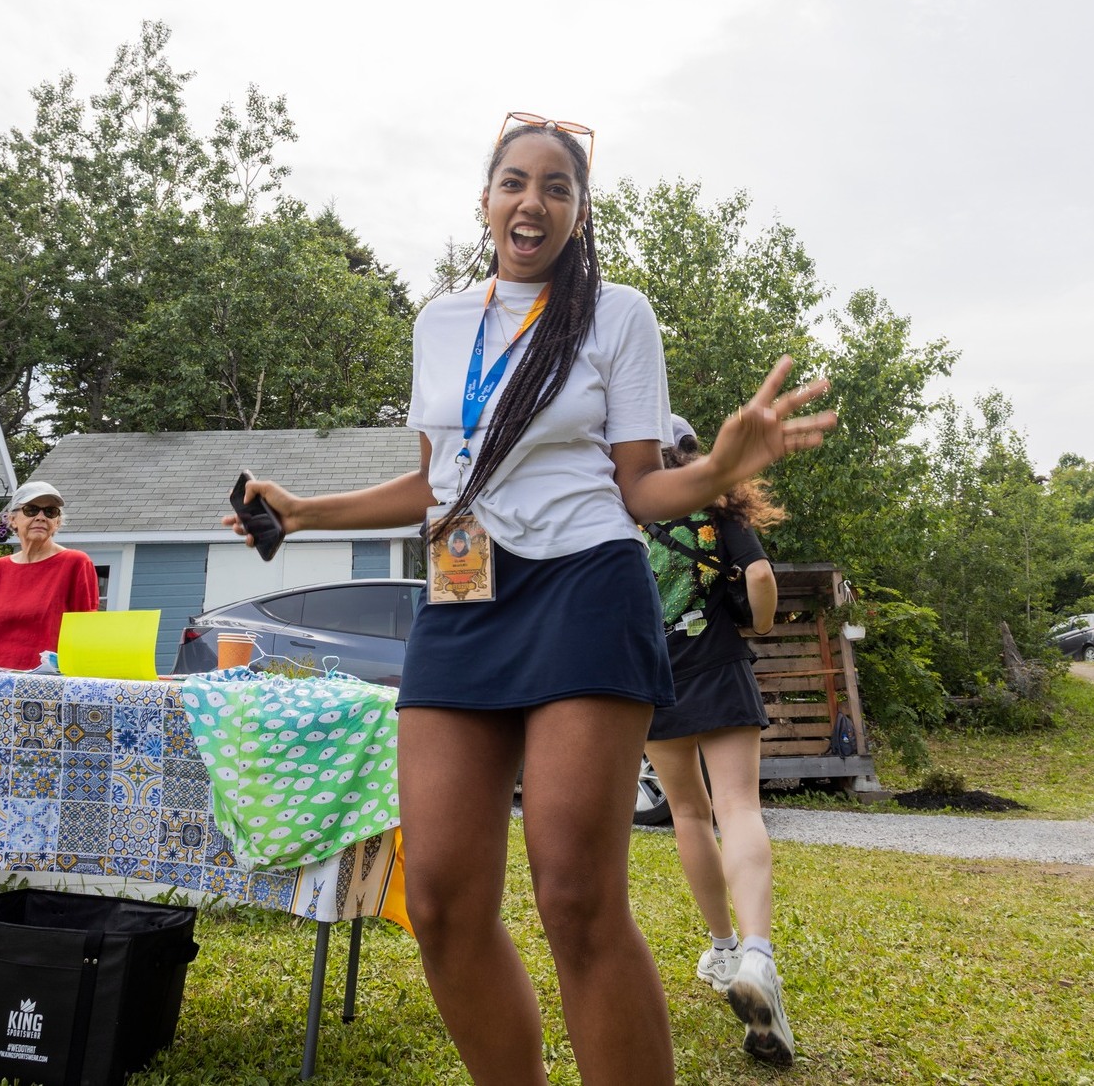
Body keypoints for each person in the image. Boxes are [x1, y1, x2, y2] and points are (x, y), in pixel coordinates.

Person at [225, 113, 836, 1086]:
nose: (533, 200)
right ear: (485, 201)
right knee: (442, 904)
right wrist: (306, 510)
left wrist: (720, 464)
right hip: (463, 594)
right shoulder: (441, 323)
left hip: (584, 590)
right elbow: (439, 484)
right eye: (516, 180)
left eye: (558, 187)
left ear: (579, 214)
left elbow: (641, 488)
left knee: (576, 895)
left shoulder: (617, 315)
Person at [643, 415, 794, 1066]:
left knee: (688, 812)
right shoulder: (718, 505)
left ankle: (722, 943)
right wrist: (756, 624)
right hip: (721, 669)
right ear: (693, 451)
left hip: (658, 679)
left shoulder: (631, 517)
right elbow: (758, 579)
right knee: (738, 807)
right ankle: (758, 952)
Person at [0, 480, 100, 671]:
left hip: (44, 685)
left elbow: (85, 633)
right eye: (31, 510)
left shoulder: (75, 563)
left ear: (56, 523)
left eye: (50, 512)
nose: (41, 517)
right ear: (12, 519)